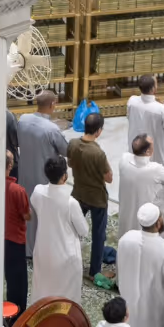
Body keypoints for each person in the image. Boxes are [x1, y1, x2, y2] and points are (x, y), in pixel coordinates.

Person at [30, 155, 89, 304]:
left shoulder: (37, 192)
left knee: (43, 292)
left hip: (43, 251)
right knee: (66, 300)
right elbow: (83, 230)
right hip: (65, 258)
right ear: (64, 176)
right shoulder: (70, 203)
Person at [17, 90, 70, 249]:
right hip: (43, 177)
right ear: (53, 104)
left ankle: (26, 247)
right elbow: (66, 150)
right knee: (43, 214)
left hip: (25, 172)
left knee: (27, 209)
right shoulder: (51, 129)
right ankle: (40, 248)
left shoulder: (23, 120)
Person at [67, 112, 114, 278]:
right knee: (98, 235)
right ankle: (95, 271)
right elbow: (109, 178)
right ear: (99, 131)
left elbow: (70, 163)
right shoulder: (98, 153)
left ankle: (69, 261)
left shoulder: (72, 144)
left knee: (73, 230)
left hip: (78, 193)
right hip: (97, 198)